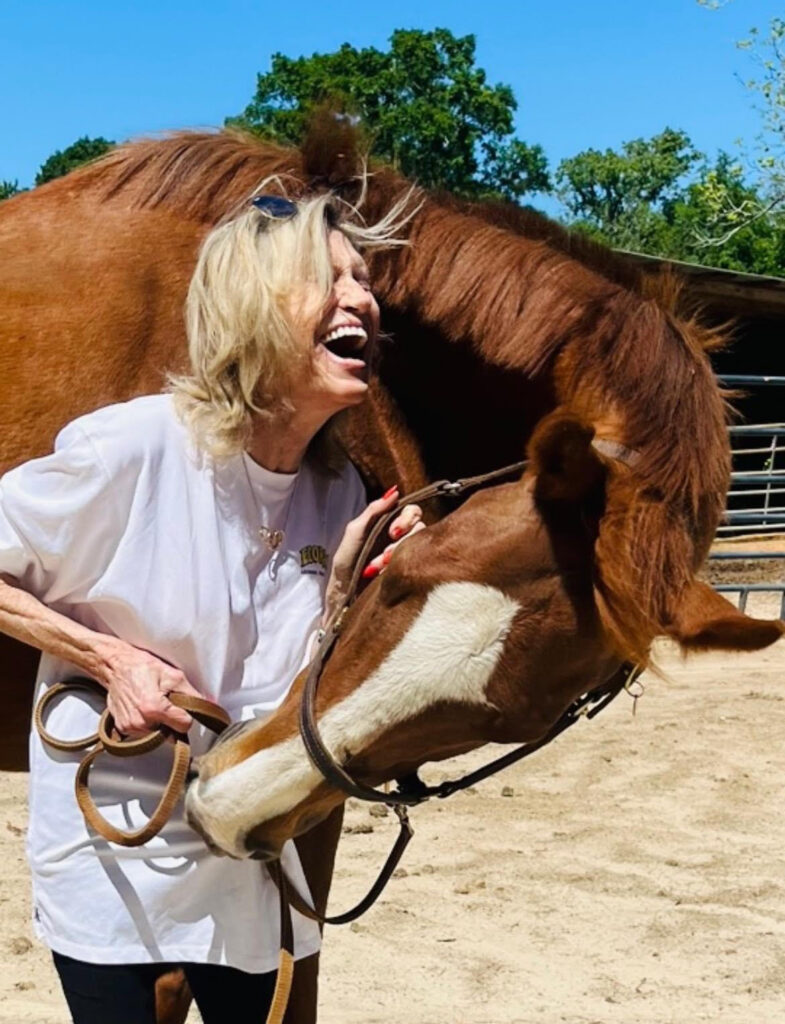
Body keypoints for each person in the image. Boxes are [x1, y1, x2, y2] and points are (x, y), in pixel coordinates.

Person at [0, 187, 422, 1023]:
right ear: (250, 306)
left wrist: (350, 598)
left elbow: (303, 694)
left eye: (364, 281)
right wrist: (109, 659)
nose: (362, 301)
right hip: (117, 855)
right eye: (329, 279)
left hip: (257, 849)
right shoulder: (136, 447)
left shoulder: (341, 494)